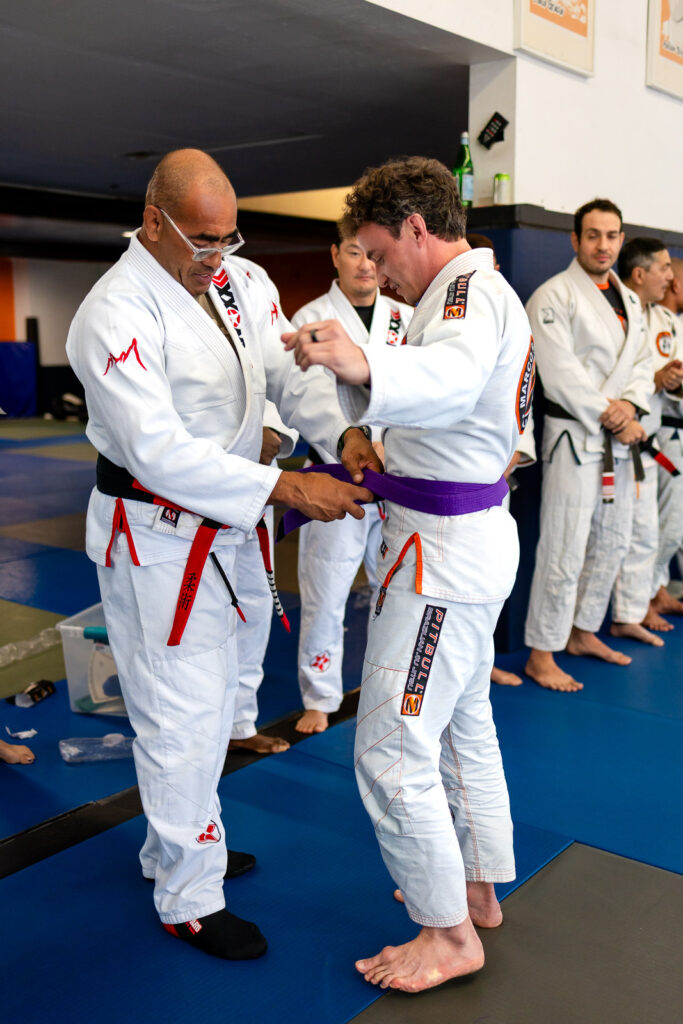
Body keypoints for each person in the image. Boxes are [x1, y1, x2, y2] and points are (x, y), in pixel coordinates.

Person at [66, 149, 377, 961]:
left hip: (232, 525)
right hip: (159, 537)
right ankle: (189, 897)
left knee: (220, 701)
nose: (219, 255)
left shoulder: (240, 282)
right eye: (203, 240)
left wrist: (338, 433)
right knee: (180, 714)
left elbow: (286, 376)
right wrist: (285, 486)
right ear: (154, 222)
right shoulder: (114, 311)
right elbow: (156, 451)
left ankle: (173, 846)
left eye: (228, 238)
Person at [284, 156, 534, 994]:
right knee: (462, 724)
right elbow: (452, 407)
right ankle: (474, 891)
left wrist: (362, 364)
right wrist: (369, 427)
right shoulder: (463, 295)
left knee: (391, 748)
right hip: (458, 542)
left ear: (416, 229)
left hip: (443, 557)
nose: (376, 269)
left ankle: (447, 934)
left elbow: (452, 379)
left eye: (379, 250)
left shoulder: (464, 298)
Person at [524, 199, 652, 692]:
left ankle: (582, 631)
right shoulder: (553, 296)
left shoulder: (631, 301)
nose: (603, 245)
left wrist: (631, 408)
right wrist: (612, 414)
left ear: (621, 240)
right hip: (575, 437)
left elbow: (642, 365)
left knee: (613, 539)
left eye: (612, 235)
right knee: (565, 544)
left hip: (619, 438)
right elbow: (560, 373)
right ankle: (542, 653)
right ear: (575, 240)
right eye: (593, 235)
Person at [290, 225, 412, 734]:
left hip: (396, 476)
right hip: (334, 474)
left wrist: (390, 447)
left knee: (397, 591)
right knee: (325, 591)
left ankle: (393, 684)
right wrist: (351, 444)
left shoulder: (405, 316)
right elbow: (302, 399)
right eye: (354, 253)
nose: (365, 265)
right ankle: (320, 696)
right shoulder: (310, 319)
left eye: (371, 255)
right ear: (335, 255)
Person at [467, 233, 537, 687]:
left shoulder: (511, 318)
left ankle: (482, 663)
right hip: (452, 482)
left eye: (493, 266)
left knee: (490, 579)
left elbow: (523, 396)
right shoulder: (439, 317)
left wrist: (514, 451)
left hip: (496, 475)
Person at [610, 239, 678, 644]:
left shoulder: (664, 319)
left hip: (648, 441)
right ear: (639, 274)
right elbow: (619, 379)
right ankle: (614, 616)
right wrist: (655, 380)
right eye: (664, 268)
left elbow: (667, 381)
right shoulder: (618, 311)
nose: (671, 277)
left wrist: (673, 381)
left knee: (646, 534)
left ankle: (632, 611)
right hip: (615, 439)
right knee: (615, 537)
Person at [229, 409, 298, 755]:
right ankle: (192, 729)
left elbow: (274, 382)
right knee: (195, 616)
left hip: (258, 477)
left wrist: (271, 430)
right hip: (195, 475)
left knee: (254, 603)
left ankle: (238, 723)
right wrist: (242, 439)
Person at [644, 256, 683, 625]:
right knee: (668, 522)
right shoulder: (656, 321)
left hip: (673, 433)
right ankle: (647, 596)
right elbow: (668, 380)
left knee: (675, 523)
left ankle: (657, 590)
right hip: (668, 435)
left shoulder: (675, 323)